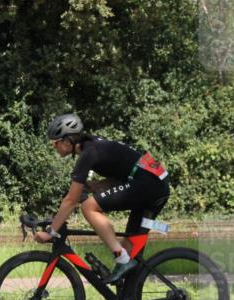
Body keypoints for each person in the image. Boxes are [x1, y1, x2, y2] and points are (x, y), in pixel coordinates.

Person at [35, 113, 170, 283]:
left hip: (149, 184)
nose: (54, 146)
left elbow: (71, 200)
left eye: (55, 142)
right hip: (154, 182)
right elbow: (119, 175)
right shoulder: (94, 146)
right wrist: (93, 186)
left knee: (89, 207)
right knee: (129, 248)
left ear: (67, 141)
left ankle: (121, 258)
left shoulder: (88, 154)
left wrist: (51, 232)